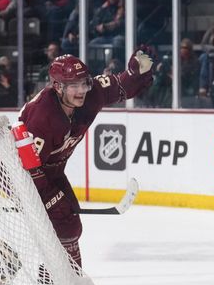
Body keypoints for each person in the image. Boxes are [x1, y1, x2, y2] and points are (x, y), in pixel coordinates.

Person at [19, 50, 155, 266]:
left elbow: (120, 85)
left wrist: (136, 72)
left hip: (50, 171)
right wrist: (51, 198)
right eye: (73, 85)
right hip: (21, 176)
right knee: (57, 226)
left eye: (84, 83)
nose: (81, 90)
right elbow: (25, 169)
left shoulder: (91, 95)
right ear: (57, 86)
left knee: (68, 227)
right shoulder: (43, 116)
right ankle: (52, 284)